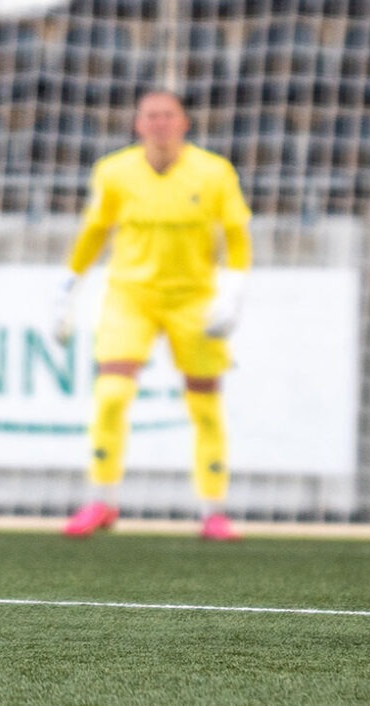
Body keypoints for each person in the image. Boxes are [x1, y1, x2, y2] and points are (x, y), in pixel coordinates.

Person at [52, 90, 253, 542]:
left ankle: (213, 511)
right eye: (151, 116)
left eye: (168, 115)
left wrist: (233, 291)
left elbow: (238, 236)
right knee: (111, 395)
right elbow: (95, 232)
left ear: (185, 123)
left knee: (204, 406)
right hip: (132, 295)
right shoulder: (114, 171)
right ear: (138, 125)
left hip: (193, 298)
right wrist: (67, 285)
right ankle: (102, 501)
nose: (160, 123)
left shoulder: (215, 172)